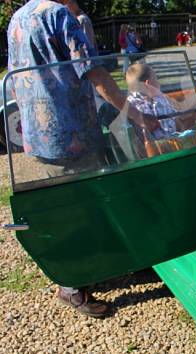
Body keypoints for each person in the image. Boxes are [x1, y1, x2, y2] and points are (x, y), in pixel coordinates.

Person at [8, 0, 153, 318]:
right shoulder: (58, 15)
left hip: (40, 133)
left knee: (72, 205)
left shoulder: (18, 18)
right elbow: (95, 72)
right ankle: (72, 284)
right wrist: (134, 113)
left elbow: (18, 77)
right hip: (71, 132)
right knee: (83, 207)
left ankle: (108, 264)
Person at [125, 63, 177, 140]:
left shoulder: (129, 103)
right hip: (158, 146)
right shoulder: (133, 105)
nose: (159, 83)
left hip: (169, 142)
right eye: (156, 79)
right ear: (148, 84)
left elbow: (175, 119)